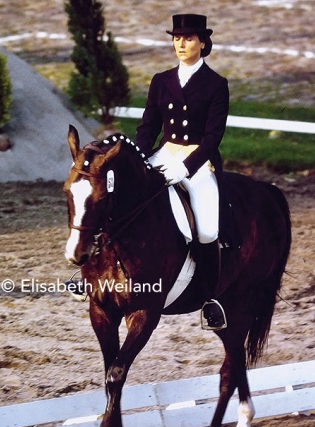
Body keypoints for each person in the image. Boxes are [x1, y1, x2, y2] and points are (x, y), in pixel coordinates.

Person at [135, 14, 229, 330]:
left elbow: (213, 136)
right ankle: (90, 272)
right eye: (176, 38)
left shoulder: (217, 85)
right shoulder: (161, 81)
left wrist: (186, 168)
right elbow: (148, 127)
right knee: (124, 200)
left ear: (203, 43)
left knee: (207, 230)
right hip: (165, 153)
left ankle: (210, 296)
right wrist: (138, 160)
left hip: (198, 160)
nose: (181, 43)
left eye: (188, 38)